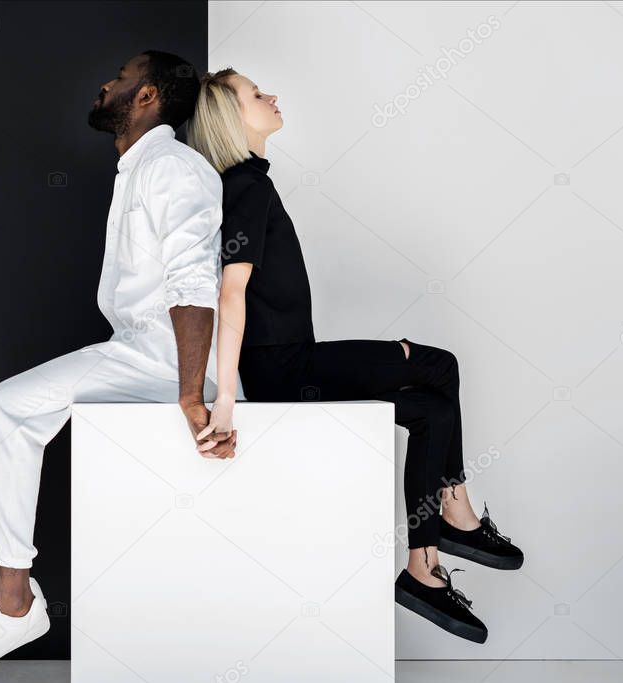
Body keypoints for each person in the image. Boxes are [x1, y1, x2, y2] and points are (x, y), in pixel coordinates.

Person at [0, 50, 236, 677]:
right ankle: (2, 593)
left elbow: (195, 283)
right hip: (139, 347)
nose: (105, 84)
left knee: (7, 407)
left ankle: (13, 600)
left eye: (119, 78)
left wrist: (193, 394)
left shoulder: (173, 167)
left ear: (147, 96)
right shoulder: (139, 168)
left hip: (160, 355)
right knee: (12, 408)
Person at [187, 67, 524, 644]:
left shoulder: (249, 182)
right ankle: (458, 516)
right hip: (284, 368)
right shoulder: (245, 184)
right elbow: (230, 291)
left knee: (433, 413)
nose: (271, 96)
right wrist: (223, 400)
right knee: (438, 365)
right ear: (229, 117)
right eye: (255, 94)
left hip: (292, 362)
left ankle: (423, 570)